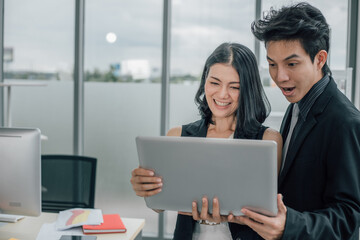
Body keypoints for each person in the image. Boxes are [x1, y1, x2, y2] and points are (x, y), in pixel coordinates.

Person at [225, 2, 360, 240]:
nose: (280, 76)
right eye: (272, 64)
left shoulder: (344, 122)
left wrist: (289, 225)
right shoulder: (297, 104)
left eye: (291, 64)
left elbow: (349, 216)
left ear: (319, 59)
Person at [130, 42, 283, 239]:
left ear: (248, 90)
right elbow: (160, 205)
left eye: (234, 87)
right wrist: (146, 189)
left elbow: (270, 213)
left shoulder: (267, 140)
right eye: (214, 83)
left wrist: (231, 217)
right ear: (205, 82)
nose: (222, 94)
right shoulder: (178, 136)